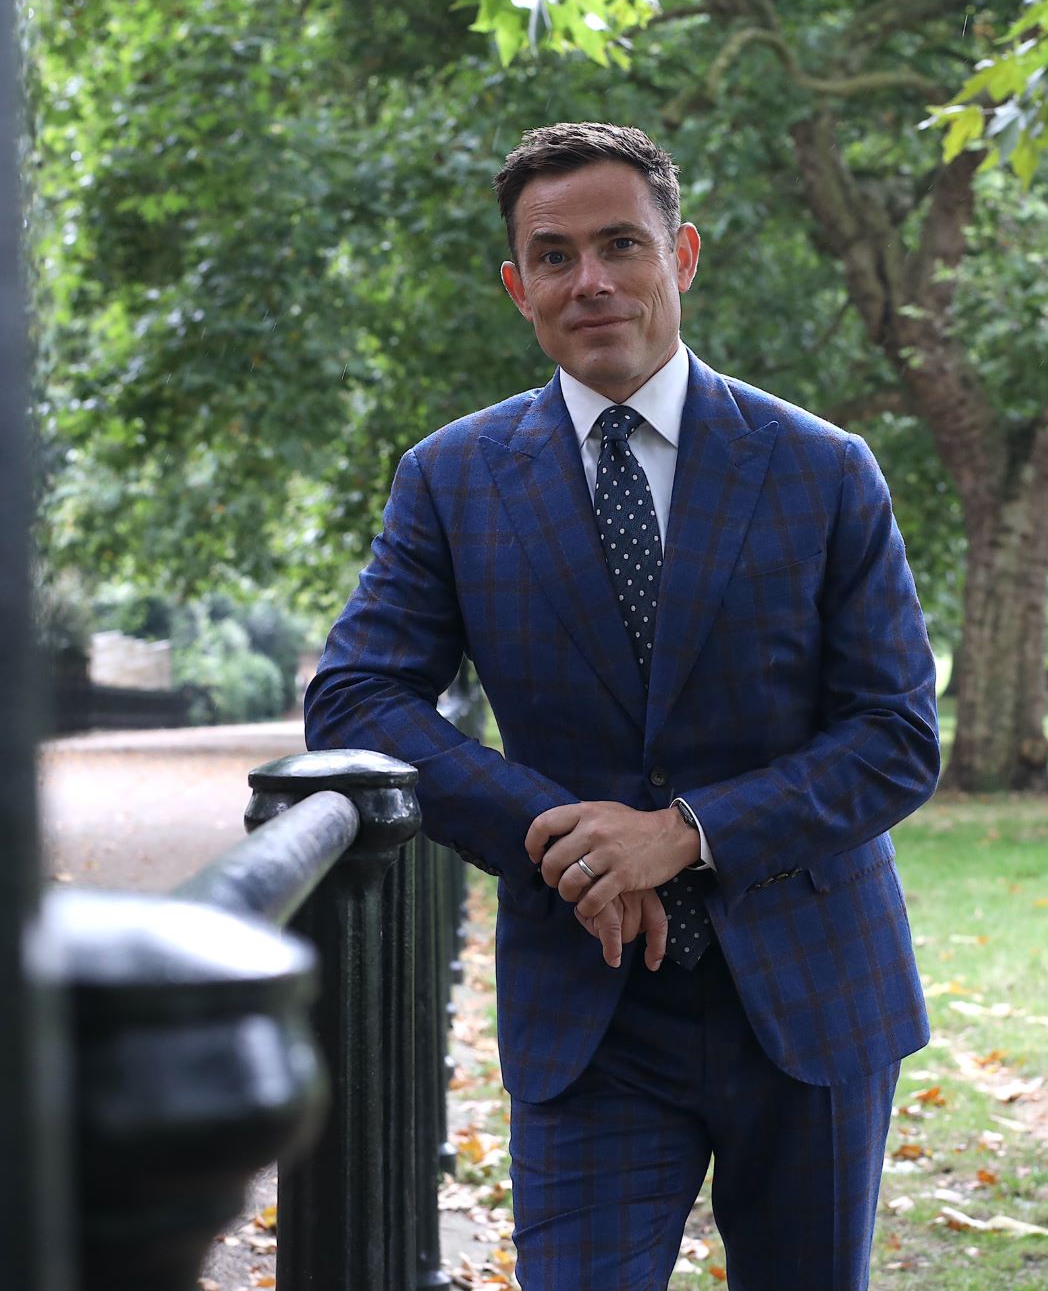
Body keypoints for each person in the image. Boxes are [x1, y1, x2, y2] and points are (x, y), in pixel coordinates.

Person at [305, 122, 940, 1289]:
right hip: (590, 1012)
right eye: (554, 256)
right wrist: (565, 840)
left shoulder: (823, 467)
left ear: (681, 256)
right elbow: (357, 695)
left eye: (620, 246)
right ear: (518, 287)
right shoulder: (450, 479)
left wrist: (684, 834)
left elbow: (896, 739)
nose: (590, 281)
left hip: (810, 998)